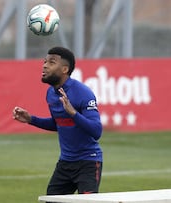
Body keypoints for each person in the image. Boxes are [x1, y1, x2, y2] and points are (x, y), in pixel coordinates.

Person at [12, 47, 103, 196]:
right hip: (65, 163)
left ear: (64, 69)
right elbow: (59, 124)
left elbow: (96, 131)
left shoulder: (83, 93)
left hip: (88, 162)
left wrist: (73, 113)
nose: (45, 65)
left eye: (51, 62)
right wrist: (31, 120)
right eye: (45, 61)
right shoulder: (51, 94)